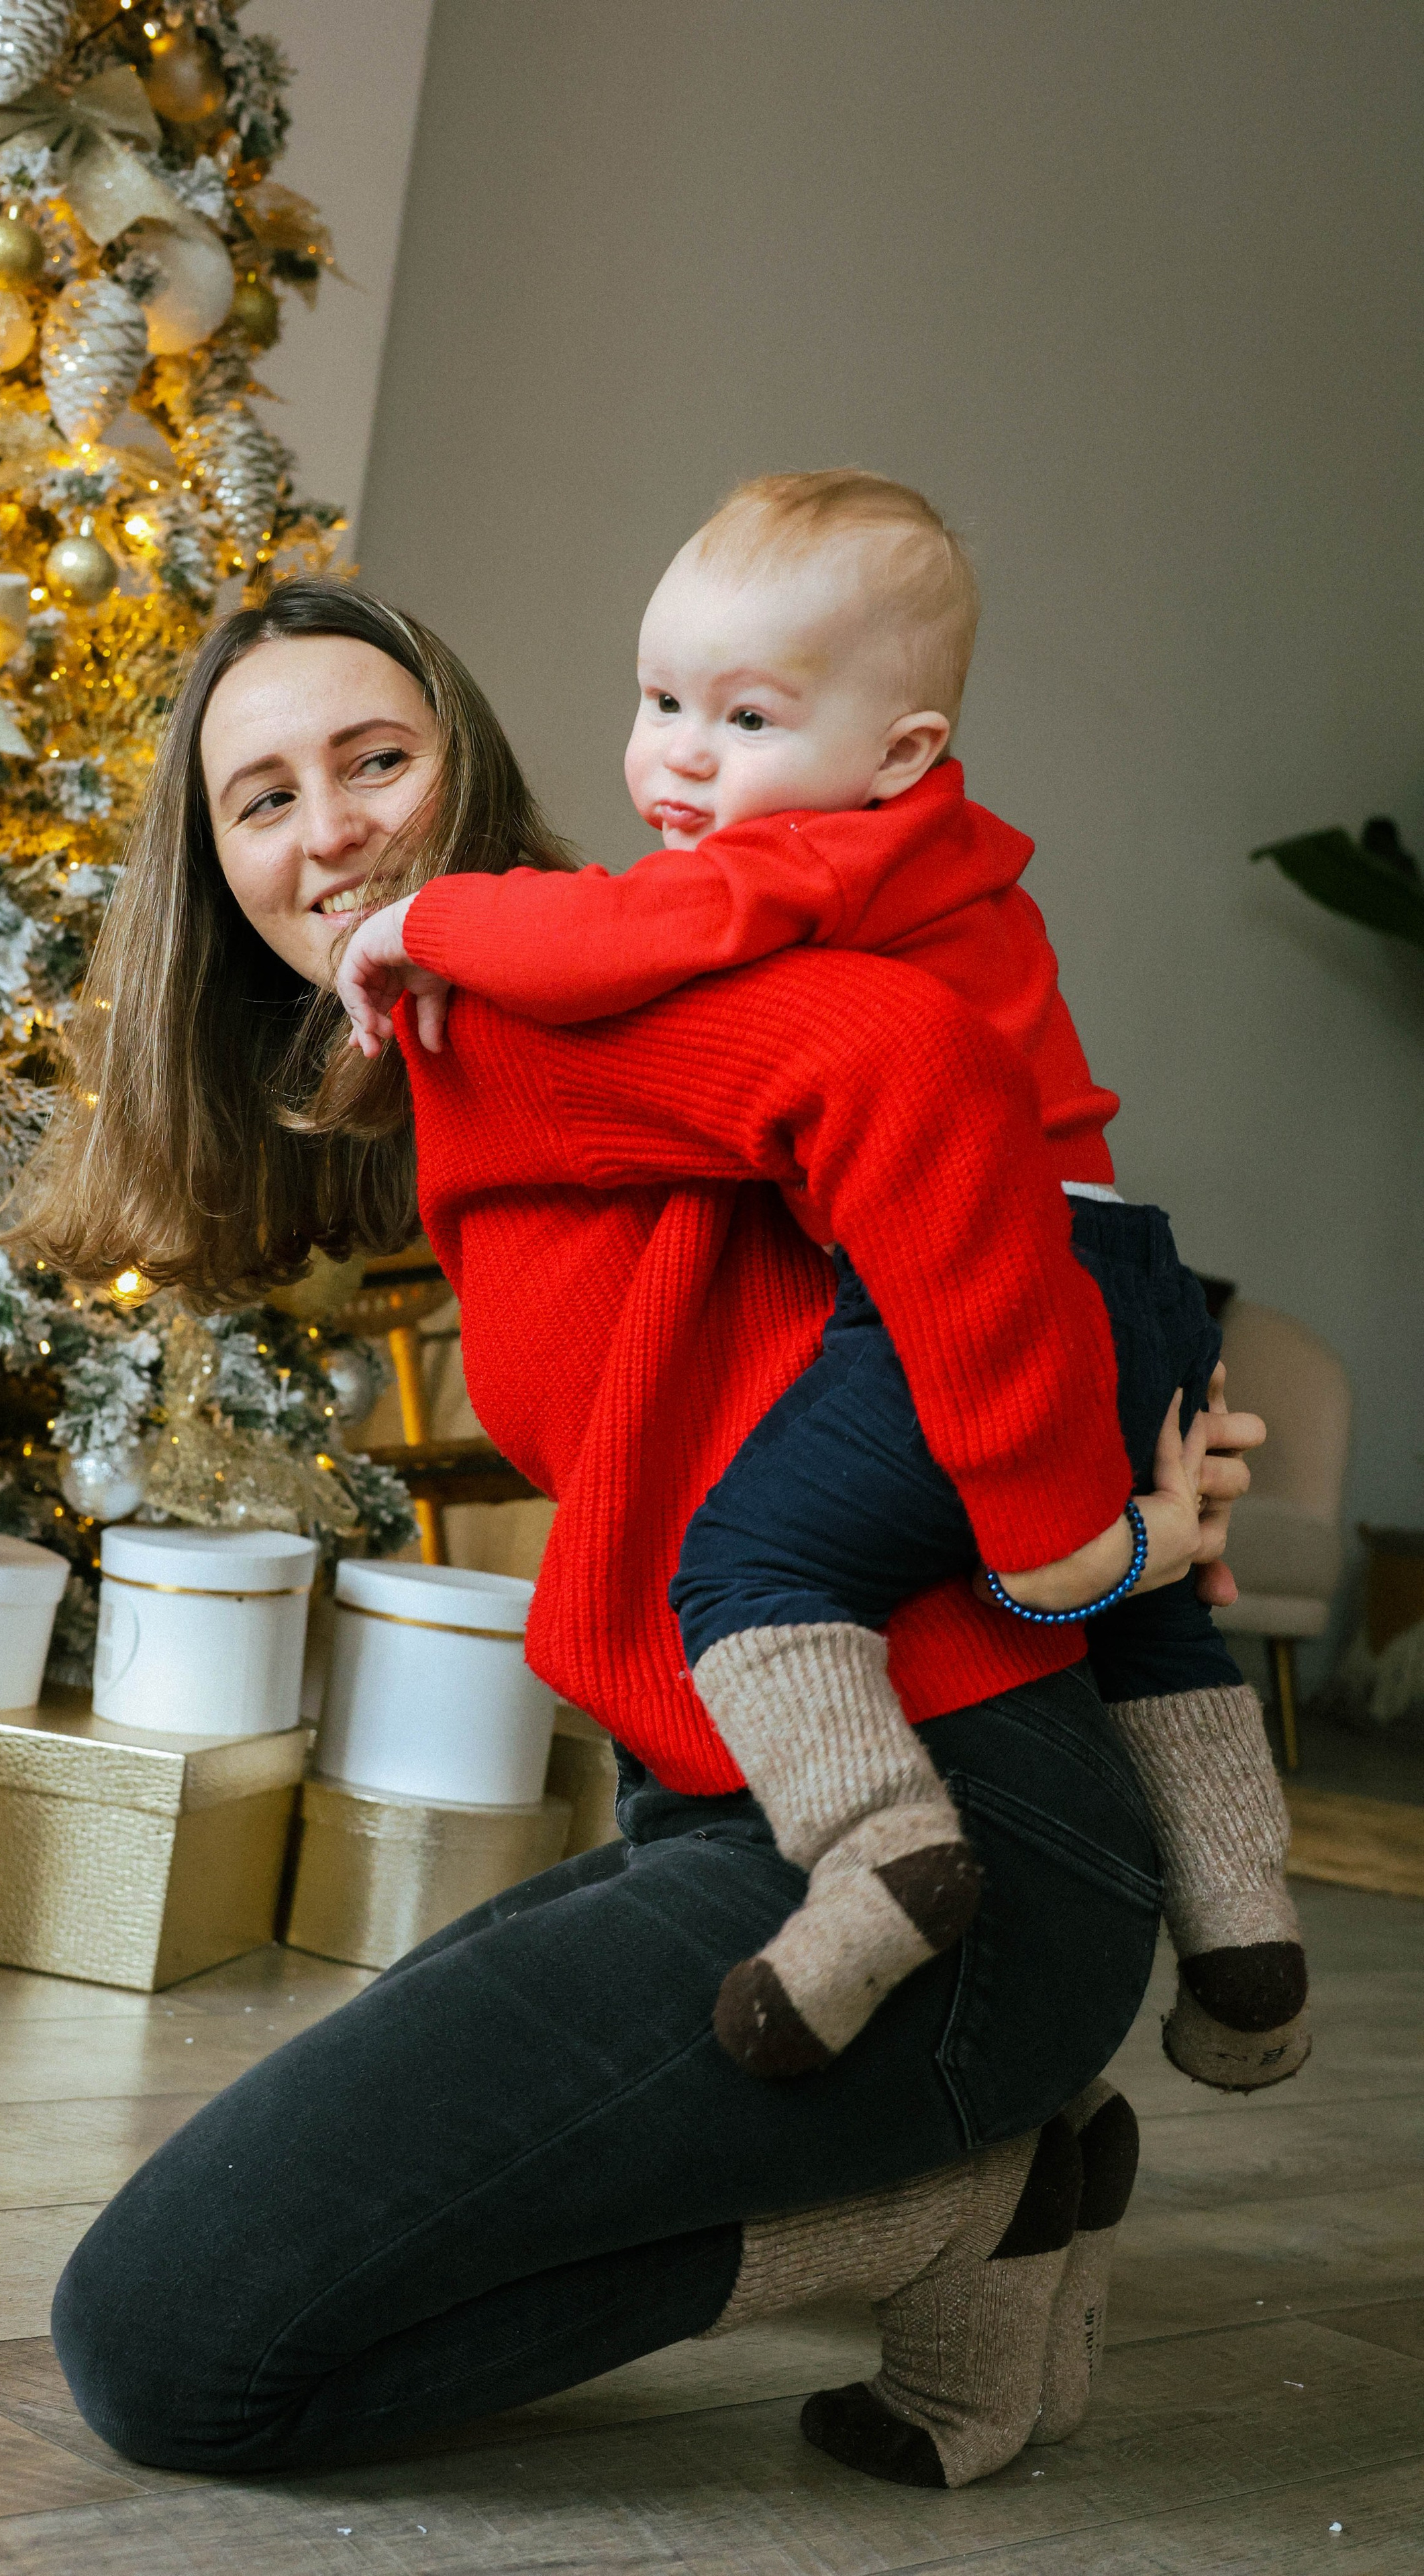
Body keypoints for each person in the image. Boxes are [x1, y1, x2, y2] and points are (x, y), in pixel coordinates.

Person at [19, 581, 1256, 2491]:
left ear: (468, 773)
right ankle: (985, 2185)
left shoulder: (541, 998)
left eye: (376, 760)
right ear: (216, 868)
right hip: (784, 1821)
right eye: (261, 800)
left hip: (938, 1855)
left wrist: (1064, 1527)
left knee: (169, 2350)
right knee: (270, 2262)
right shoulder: (479, 1036)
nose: (328, 828)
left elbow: (926, 1075)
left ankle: (938, 2211)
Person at [336, 470, 1305, 2096]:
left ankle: (879, 1857)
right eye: (657, 702)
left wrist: (422, 920)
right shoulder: (952, 859)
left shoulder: (821, 861)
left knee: (751, 1571)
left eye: (747, 716)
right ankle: (1246, 1934)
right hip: (1129, 1261)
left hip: (988, 1259)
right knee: (1147, 1627)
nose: (680, 755)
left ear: (898, 754)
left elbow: (611, 943)